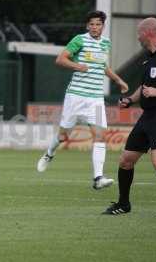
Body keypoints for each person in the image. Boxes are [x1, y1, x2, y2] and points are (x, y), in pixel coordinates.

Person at [36, 10, 129, 190]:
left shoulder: (106, 43)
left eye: (98, 24)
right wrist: (77, 65)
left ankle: (98, 178)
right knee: (63, 136)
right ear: (87, 26)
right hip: (76, 96)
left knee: (100, 136)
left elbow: (102, 66)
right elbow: (60, 59)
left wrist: (118, 80)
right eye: (92, 24)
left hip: (95, 98)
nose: (95, 27)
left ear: (103, 26)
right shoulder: (79, 40)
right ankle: (49, 154)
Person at [103, 17, 156, 215]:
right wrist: (129, 100)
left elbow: (153, 90)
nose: (137, 37)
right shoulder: (149, 57)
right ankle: (123, 204)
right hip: (147, 116)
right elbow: (144, 88)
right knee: (126, 160)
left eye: (139, 33)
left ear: (148, 33)